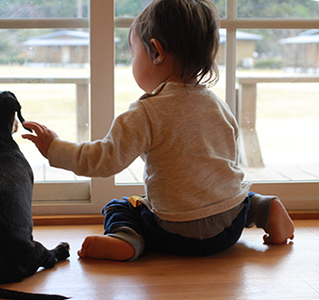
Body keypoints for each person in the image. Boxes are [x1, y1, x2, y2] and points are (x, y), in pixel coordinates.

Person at [22, 0, 294, 262]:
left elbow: (103, 159)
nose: (132, 61)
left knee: (121, 206)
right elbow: (227, 162)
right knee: (237, 195)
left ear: (156, 51)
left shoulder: (145, 112)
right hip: (229, 227)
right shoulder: (218, 105)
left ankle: (127, 239)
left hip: (176, 233)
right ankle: (266, 208)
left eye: (133, 53)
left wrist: (54, 148)